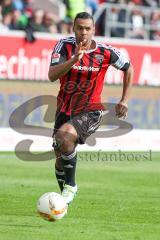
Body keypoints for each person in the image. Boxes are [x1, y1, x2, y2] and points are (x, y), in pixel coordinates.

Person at [48, 12, 133, 205]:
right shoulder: (64, 46)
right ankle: (63, 201)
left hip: (90, 110)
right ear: (74, 28)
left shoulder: (105, 52)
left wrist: (124, 100)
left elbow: (129, 68)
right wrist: (73, 60)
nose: (83, 32)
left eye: (88, 28)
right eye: (80, 28)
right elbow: (52, 75)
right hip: (64, 108)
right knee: (60, 157)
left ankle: (71, 186)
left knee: (65, 135)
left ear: (94, 30)